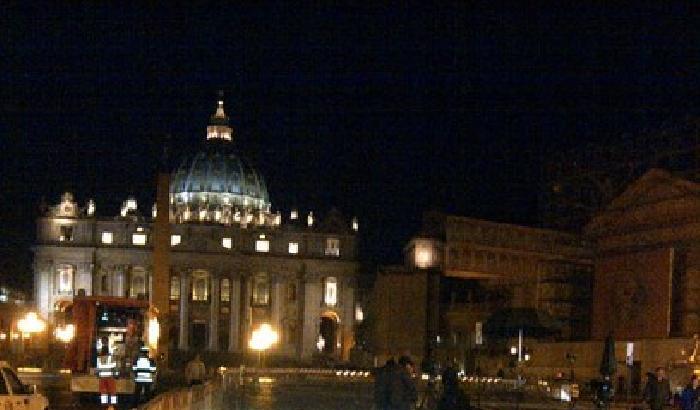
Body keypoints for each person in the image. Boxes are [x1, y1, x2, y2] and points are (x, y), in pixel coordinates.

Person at [96, 336, 118, 409]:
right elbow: (115, 368)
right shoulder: (111, 358)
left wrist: (98, 375)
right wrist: (116, 375)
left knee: (103, 392)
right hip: (110, 377)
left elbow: (98, 369)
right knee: (112, 391)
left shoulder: (99, 358)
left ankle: (104, 405)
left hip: (102, 377)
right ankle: (113, 405)